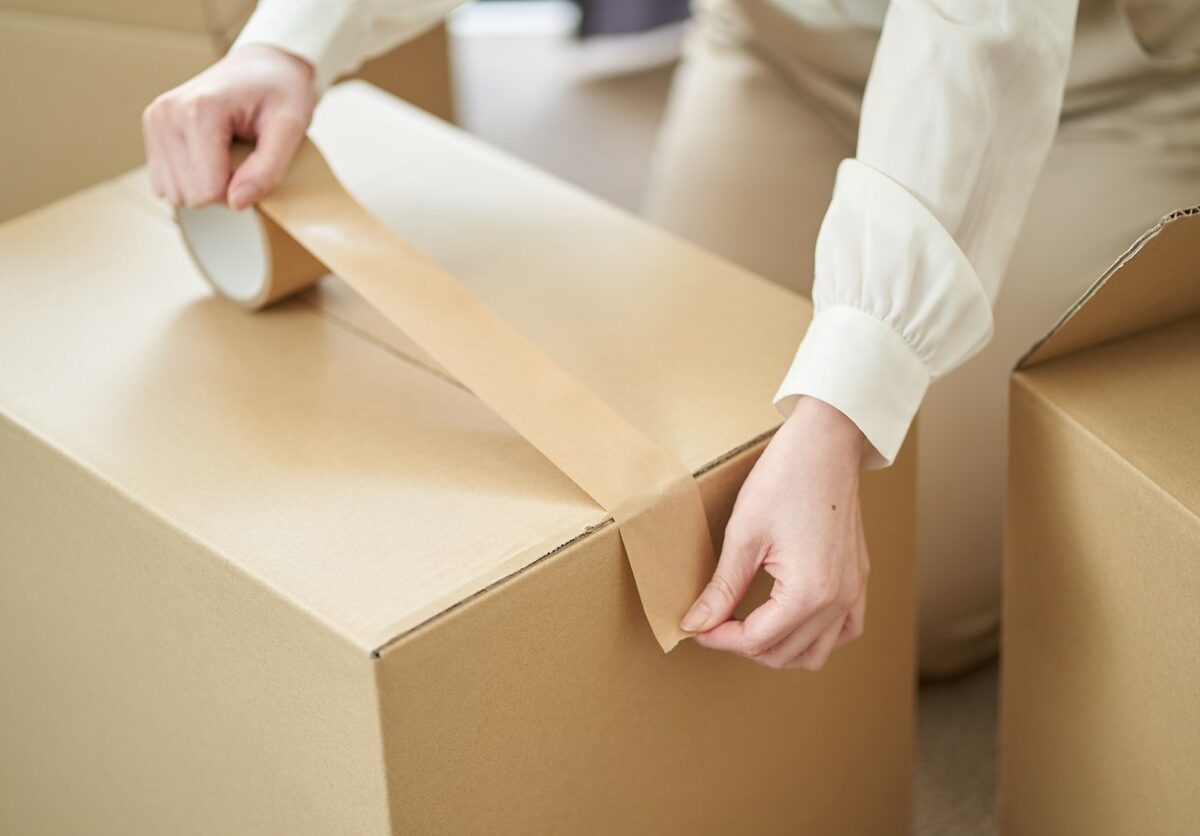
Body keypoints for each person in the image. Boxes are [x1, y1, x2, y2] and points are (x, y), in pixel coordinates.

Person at [143, 0, 1200, 677]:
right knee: (702, 466)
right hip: (788, 43)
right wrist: (292, 41)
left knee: (908, 605)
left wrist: (843, 408)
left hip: (1085, 81)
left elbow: (978, 41)